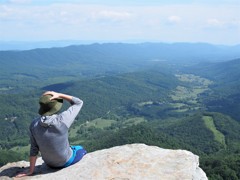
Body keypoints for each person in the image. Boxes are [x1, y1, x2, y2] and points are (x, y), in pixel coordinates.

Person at [16, 91, 86, 178]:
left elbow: (34, 149)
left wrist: (31, 171)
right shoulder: (62, 120)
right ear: (55, 108)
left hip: (49, 164)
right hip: (66, 161)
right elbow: (78, 102)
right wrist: (59, 94)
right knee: (81, 149)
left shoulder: (34, 124)